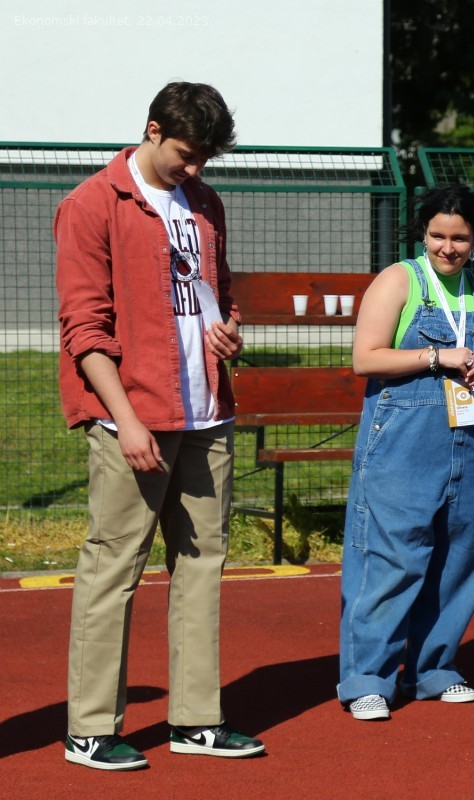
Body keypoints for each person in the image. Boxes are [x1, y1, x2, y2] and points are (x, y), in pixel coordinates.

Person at [55, 82, 263, 770]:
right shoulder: (91, 204)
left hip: (208, 412)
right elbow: (83, 329)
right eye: (186, 154)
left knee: (202, 566)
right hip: (133, 417)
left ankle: (196, 721)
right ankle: (90, 730)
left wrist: (229, 332)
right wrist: (126, 420)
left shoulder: (204, 203)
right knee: (114, 567)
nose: (194, 168)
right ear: (152, 131)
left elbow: (219, 294)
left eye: (205, 157)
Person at [338, 184, 474, 720]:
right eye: (437, 236)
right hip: (403, 437)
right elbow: (365, 359)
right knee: (391, 556)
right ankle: (368, 678)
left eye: (459, 238)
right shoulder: (398, 280)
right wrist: (437, 357)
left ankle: (433, 668)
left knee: (462, 554)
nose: (447, 248)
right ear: (423, 234)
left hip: (471, 437)